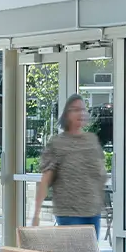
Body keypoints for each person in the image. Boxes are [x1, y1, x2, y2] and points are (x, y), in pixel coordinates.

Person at [31, 94, 107, 233]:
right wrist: (36, 214)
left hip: (92, 211)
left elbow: (99, 174)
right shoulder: (57, 143)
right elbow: (46, 179)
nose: (81, 113)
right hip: (69, 212)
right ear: (67, 114)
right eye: (76, 109)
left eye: (83, 109)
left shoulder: (92, 140)